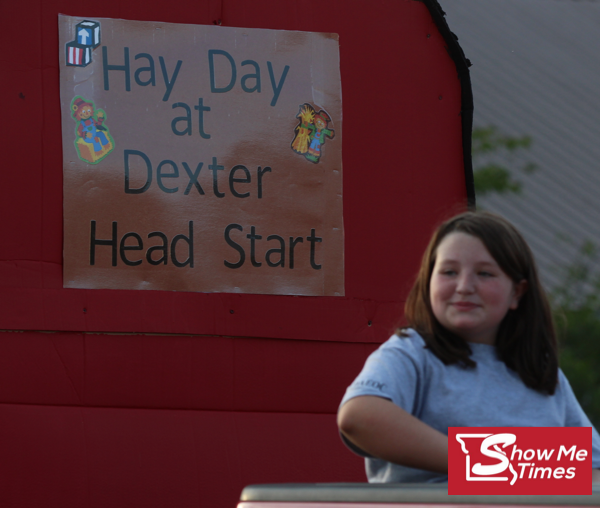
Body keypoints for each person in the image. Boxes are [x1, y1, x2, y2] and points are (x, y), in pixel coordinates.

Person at [337, 211, 600, 483]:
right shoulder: (412, 354)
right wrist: (484, 463)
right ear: (428, 282)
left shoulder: (545, 374)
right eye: (449, 272)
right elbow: (359, 417)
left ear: (517, 293)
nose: (464, 286)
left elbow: (592, 471)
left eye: (485, 274)